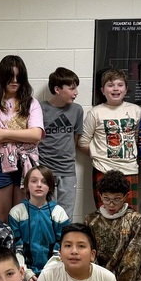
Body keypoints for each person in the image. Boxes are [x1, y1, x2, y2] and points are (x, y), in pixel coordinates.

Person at [0, 55, 45, 221]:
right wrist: (24, 134)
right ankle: (2, 247)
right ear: (2, 77)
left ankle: (19, 247)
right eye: (10, 77)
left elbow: (36, 135)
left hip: (26, 162)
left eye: (18, 77)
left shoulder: (31, 103)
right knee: (0, 214)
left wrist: (5, 133)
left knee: (21, 215)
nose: (15, 81)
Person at [79, 69, 141, 209]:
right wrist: (99, 154)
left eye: (120, 85)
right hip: (103, 169)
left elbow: (137, 138)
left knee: (130, 216)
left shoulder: (135, 110)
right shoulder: (95, 112)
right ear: (102, 90)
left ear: (126, 90)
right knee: (105, 214)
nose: (115, 89)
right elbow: (83, 142)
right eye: (110, 85)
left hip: (129, 169)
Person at [85, 171, 141, 281]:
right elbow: (89, 256)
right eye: (106, 199)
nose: (111, 204)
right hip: (99, 280)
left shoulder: (136, 220)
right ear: (100, 196)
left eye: (117, 199)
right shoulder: (91, 220)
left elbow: (132, 261)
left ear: (126, 196)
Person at [9, 165, 70, 279]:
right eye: (34, 181)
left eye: (44, 182)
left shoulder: (58, 213)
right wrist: (26, 273)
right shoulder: (16, 213)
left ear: (50, 187)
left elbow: (63, 246)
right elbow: (17, 248)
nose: (39, 185)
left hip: (54, 272)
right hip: (24, 273)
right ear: (26, 185)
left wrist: (49, 271)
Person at [39, 67, 84, 219]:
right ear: (57, 89)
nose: (76, 92)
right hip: (45, 170)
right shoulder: (40, 109)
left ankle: (64, 243)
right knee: (46, 214)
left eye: (76, 88)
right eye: (72, 88)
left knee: (65, 215)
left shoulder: (77, 110)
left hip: (68, 170)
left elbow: (75, 139)